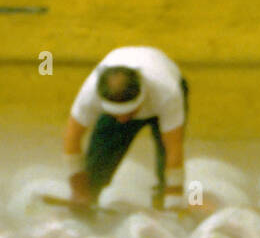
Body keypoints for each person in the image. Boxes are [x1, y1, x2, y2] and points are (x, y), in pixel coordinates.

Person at [62, 46, 188, 210]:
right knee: (98, 160)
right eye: (116, 114)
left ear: (141, 99)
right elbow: (72, 139)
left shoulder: (167, 93)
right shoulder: (90, 93)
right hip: (129, 97)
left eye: (128, 113)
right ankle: (89, 204)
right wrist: (78, 190)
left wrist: (174, 199)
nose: (122, 120)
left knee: (165, 158)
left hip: (164, 92)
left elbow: (173, 149)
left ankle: (164, 204)